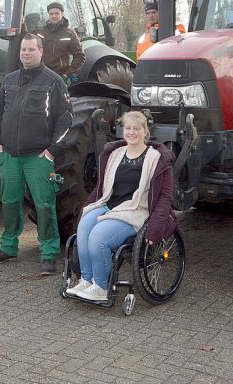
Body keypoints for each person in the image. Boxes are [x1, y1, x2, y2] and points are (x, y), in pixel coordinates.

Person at [65, 111, 176, 301]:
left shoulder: (157, 159)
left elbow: (165, 196)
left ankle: (100, 287)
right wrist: (87, 207)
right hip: (109, 205)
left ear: (145, 131)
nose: (131, 132)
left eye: (136, 128)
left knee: (98, 237)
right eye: (128, 128)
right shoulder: (114, 153)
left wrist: (156, 228)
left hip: (134, 210)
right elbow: (101, 188)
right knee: (84, 226)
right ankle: (87, 279)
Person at [0, 33, 73, 275]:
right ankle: (8, 247)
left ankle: (48, 253)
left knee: (44, 205)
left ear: (41, 51)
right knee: (10, 202)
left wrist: (51, 151)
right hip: (10, 157)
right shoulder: (10, 80)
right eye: (23, 50)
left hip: (38, 157)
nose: (26, 53)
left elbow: (66, 119)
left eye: (31, 50)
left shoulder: (53, 81)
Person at [35, 2, 85, 82]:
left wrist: (67, 74)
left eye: (56, 13)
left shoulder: (69, 33)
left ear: (62, 14)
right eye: (51, 14)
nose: (54, 16)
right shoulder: (41, 32)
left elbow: (80, 56)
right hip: (41, 74)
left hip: (60, 76)